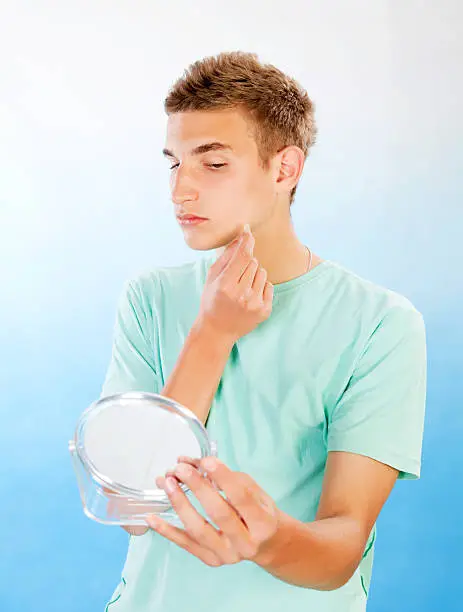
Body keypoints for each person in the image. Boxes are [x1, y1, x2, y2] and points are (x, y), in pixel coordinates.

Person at [99, 51, 427, 612]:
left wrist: (268, 538)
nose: (180, 191)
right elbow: (129, 510)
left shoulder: (381, 324)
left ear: (285, 169)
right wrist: (211, 333)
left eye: (214, 163)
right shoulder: (150, 299)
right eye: (174, 163)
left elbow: (343, 546)